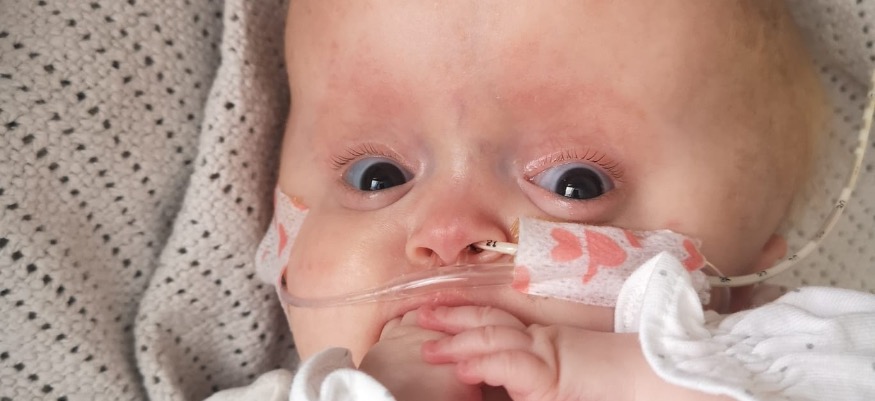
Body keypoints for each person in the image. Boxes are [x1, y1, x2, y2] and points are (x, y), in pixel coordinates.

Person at [208, 1, 875, 400]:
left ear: (744, 276)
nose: (449, 231)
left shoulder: (789, 356)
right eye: (376, 176)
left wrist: (633, 381)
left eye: (573, 184)